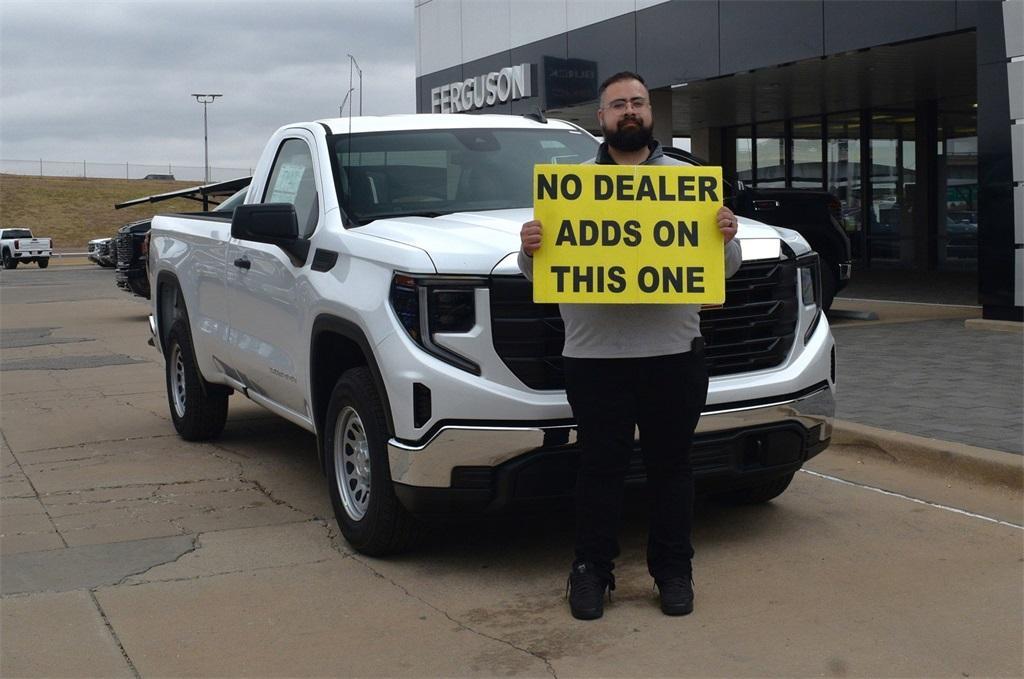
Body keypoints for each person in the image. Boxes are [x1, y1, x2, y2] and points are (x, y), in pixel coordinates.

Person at [518, 71, 743, 620]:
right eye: (617, 104)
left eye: (638, 103)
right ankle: (592, 571)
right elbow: (536, 273)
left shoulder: (686, 183)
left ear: (650, 113)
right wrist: (529, 248)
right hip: (595, 358)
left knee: (673, 468)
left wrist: (726, 237)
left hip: (673, 353)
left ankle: (673, 572)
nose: (629, 112)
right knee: (599, 468)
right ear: (601, 118)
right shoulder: (569, 186)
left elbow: (722, 271)